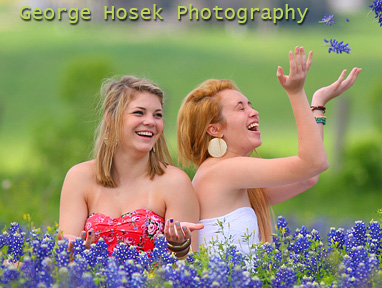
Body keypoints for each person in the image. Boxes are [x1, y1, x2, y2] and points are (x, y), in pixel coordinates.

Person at [177, 46, 361, 254]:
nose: (253, 112)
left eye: (250, 105)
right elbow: (313, 164)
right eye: (241, 108)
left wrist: (318, 104)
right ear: (215, 129)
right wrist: (296, 92)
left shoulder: (235, 180)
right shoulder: (221, 171)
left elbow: (308, 177)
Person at [58, 75, 203, 258]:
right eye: (139, 112)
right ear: (111, 118)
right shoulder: (79, 177)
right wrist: (78, 252)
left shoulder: (175, 182)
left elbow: (190, 264)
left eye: (157, 115)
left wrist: (180, 247)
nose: (151, 122)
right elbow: (64, 257)